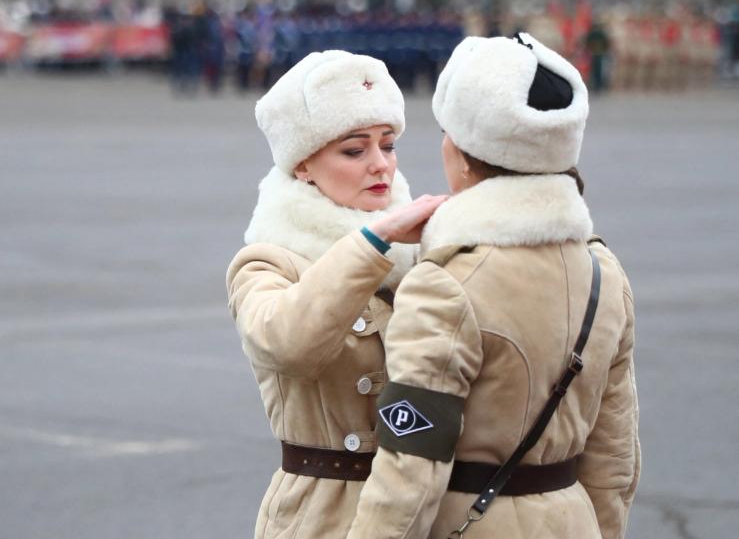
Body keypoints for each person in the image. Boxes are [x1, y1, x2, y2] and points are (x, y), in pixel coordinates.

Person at [347, 33, 640, 539]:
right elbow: (614, 458)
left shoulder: (445, 283)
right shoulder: (602, 270)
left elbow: (409, 470)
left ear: (463, 155)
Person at [226, 50, 446, 539]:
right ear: (303, 164)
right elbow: (288, 343)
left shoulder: (423, 248)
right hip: (323, 514)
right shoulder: (266, 261)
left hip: (427, 509)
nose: (380, 166)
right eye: (354, 150)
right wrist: (373, 242)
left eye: (387, 146)